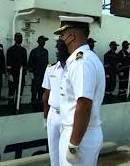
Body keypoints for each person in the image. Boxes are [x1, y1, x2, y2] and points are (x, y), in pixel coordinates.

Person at [53, 16, 105, 165]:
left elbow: (83, 103)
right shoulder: (86, 59)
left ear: (71, 36)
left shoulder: (81, 62)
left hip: (79, 135)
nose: (60, 39)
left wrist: (74, 145)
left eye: (61, 35)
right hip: (80, 131)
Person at [42, 39, 69, 166]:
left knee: (66, 154)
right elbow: (46, 94)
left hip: (67, 116)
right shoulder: (50, 69)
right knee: (53, 152)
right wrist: (45, 117)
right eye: (56, 48)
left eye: (60, 48)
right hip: (52, 115)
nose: (57, 51)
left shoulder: (74, 69)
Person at [6, 33, 27, 114]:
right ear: (15, 39)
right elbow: (8, 64)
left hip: (21, 75)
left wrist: (24, 73)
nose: (19, 39)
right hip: (13, 75)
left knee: (20, 92)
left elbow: (25, 63)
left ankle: (18, 107)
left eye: (20, 37)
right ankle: (10, 108)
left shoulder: (24, 50)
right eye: (18, 37)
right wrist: (10, 74)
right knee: (11, 92)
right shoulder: (10, 50)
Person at [28, 35, 49, 112]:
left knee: (41, 92)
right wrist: (31, 73)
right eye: (42, 41)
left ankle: (40, 106)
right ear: (39, 41)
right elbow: (30, 63)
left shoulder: (46, 51)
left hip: (43, 75)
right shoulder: (34, 51)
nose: (43, 42)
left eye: (44, 41)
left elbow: (46, 63)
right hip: (36, 75)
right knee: (34, 91)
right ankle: (33, 107)